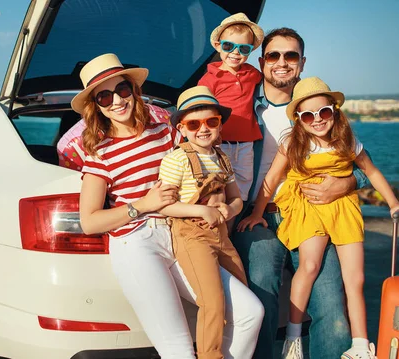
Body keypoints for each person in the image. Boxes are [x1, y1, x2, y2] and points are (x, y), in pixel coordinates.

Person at [75, 53, 263, 359]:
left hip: (183, 233)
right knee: (178, 349)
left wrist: (220, 201)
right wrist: (142, 205)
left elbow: (201, 159)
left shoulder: (165, 132)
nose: (116, 101)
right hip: (136, 245)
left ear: (134, 91)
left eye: (122, 90)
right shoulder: (100, 153)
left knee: (250, 313)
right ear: (96, 106)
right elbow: (90, 221)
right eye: (104, 97)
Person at [239, 77, 399, 359]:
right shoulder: (294, 142)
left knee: (355, 279)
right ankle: (293, 338)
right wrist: (258, 212)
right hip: (308, 209)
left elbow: (372, 172)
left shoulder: (348, 141)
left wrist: (394, 202)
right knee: (309, 265)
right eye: (308, 115)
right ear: (299, 119)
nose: (317, 119)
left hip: (343, 209)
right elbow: (271, 179)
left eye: (324, 112)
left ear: (334, 110)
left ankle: (360, 345)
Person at [231, 28, 371, 359]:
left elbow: (360, 164)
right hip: (262, 216)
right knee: (261, 295)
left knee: (333, 310)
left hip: (315, 215)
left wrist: (349, 183)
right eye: (274, 56)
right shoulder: (241, 107)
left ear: (302, 62)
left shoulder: (320, 109)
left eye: (290, 55)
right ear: (262, 62)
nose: (282, 63)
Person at [158, 86, 263, 359]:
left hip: (221, 236)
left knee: (242, 295)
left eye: (211, 122)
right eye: (194, 124)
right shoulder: (176, 159)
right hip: (192, 237)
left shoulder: (221, 158)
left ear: (219, 124)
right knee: (213, 303)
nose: (203, 129)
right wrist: (203, 212)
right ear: (182, 129)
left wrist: (229, 209)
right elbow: (165, 204)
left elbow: (237, 199)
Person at [199, 13, 264, 211]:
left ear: (250, 51)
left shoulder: (252, 74)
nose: (236, 53)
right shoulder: (209, 79)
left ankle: (231, 231)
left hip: (245, 145)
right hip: (219, 143)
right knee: (217, 189)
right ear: (218, 46)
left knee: (242, 189)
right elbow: (202, 111)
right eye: (229, 46)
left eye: (244, 49)